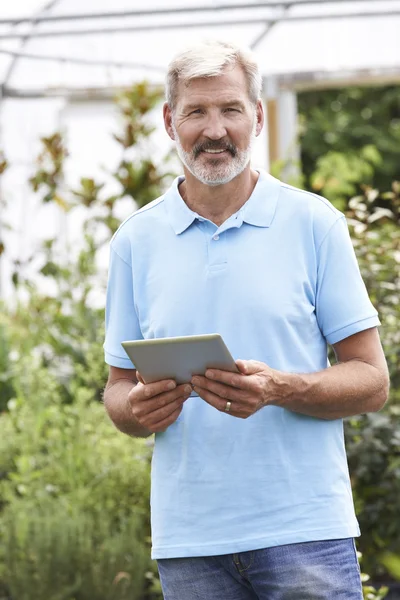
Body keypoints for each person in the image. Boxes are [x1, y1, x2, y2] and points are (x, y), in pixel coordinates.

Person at [103, 39, 389, 600]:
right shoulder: (135, 241)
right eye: (196, 112)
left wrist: (281, 387)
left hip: (305, 532)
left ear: (257, 117)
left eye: (230, 109)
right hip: (190, 545)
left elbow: (372, 381)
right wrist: (136, 409)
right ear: (169, 121)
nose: (215, 129)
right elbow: (117, 390)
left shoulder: (314, 223)